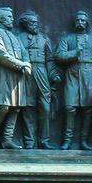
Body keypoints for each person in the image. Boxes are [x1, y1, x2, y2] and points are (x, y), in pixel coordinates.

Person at [55, 9, 92, 150]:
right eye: (78, 20)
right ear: (75, 22)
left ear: (86, 23)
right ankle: (67, 141)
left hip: (89, 75)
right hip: (72, 73)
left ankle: (84, 141)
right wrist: (75, 52)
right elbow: (59, 56)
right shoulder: (66, 39)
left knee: (87, 110)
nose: (80, 22)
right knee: (69, 107)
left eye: (83, 20)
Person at [0, 6, 32, 149]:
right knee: (3, 107)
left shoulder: (14, 36)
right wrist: (22, 65)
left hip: (19, 76)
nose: (12, 19)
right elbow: (1, 55)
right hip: (5, 74)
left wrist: (27, 64)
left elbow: (24, 53)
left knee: (16, 108)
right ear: (1, 18)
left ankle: (7, 139)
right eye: (9, 17)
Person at [18, 9, 58, 149]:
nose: (36, 25)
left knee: (45, 108)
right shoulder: (18, 38)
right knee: (28, 108)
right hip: (26, 72)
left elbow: (50, 60)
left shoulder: (44, 39)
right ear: (26, 24)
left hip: (42, 72)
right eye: (33, 23)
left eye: (37, 23)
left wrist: (53, 74)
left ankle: (44, 140)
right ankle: (29, 141)